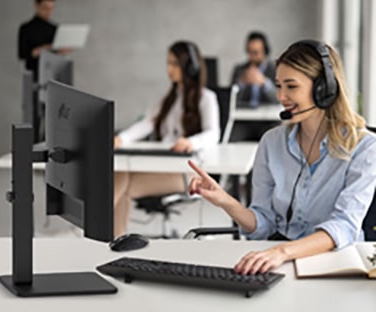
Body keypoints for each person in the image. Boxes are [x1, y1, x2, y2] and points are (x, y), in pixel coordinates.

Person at [189, 39, 376, 275]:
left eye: (291, 86)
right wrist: (225, 200)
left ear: (324, 89)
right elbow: (263, 222)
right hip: (281, 260)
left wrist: (282, 252)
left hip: (335, 263)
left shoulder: (364, 147)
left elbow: (344, 226)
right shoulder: (271, 142)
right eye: (278, 86)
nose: (282, 96)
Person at [113, 41, 220, 237]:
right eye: (168, 63)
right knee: (121, 175)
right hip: (162, 165)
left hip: (186, 172)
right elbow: (147, 123)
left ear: (190, 67)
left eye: (175, 63)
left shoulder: (207, 98)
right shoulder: (170, 98)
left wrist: (191, 142)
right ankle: (113, 238)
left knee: (121, 181)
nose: (169, 69)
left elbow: (213, 134)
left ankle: (104, 233)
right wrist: (121, 138)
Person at [18, 0, 69, 81]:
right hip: (33, 75)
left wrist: (63, 50)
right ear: (37, 6)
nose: (48, 12)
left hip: (53, 74)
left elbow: (58, 54)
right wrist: (44, 49)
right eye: (45, 8)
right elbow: (22, 54)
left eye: (51, 9)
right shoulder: (26, 28)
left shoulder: (55, 28)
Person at [231, 31, 277, 107]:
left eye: (255, 53)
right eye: (249, 52)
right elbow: (231, 100)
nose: (251, 57)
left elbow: (279, 100)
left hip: (268, 116)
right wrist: (241, 84)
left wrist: (264, 83)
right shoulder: (239, 69)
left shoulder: (275, 70)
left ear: (265, 52)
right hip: (244, 115)